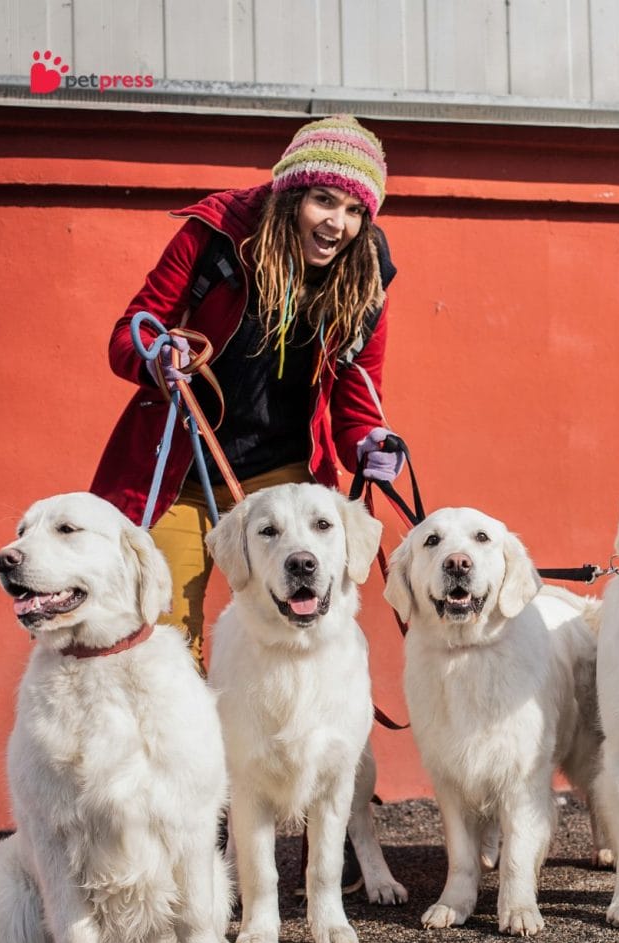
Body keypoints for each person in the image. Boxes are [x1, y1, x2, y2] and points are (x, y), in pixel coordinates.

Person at [92, 114, 404, 669]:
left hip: (283, 476)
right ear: (291, 197)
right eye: (324, 201)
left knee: (296, 628)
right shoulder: (214, 237)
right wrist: (159, 357)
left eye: (355, 211)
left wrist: (369, 444)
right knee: (164, 639)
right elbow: (128, 335)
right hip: (181, 471)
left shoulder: (364, 282)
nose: (338, 224)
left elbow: (356, 407)